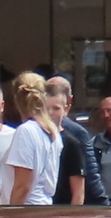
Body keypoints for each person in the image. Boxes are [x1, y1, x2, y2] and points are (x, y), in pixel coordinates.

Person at [43, 76, 105, 205]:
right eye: (46, 108)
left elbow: (85, 184)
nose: (50, 113)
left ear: (66, 108)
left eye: (56, 108)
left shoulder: (74, 138)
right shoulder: (36, 136)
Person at [4, 72, 60, 207]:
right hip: (43, 207)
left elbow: (23, 186)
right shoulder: (52, 131)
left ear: (16, 101)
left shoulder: (26, 131)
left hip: (26, 211)